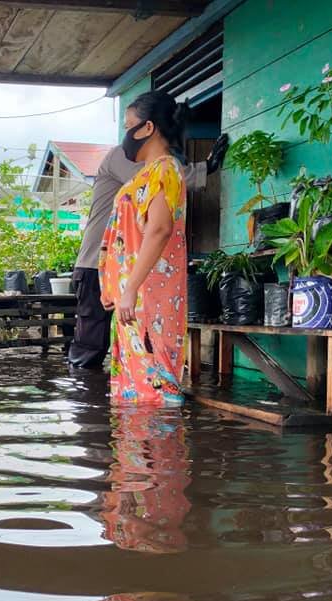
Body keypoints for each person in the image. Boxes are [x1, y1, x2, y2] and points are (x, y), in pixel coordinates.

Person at [68, 129, 228, 369]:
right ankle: (86, 399)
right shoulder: (121, 158)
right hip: (97, 265)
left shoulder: (159, 167)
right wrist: (204, 169)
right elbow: (151, 180)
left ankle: (102, 401)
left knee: (130, 345)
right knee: (91, 344)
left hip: (129, 267)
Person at [99, 90, 191, 406]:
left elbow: (160, 229)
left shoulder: (165, 169)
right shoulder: (147, 174)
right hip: (133, 303)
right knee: (134, 393)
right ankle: (134, 456)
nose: (125, 135)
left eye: (129, 125)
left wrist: (130, 288)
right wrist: (117, 288)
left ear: (147, 128)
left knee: (155, 391)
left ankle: (162, 454)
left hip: (149, 300)